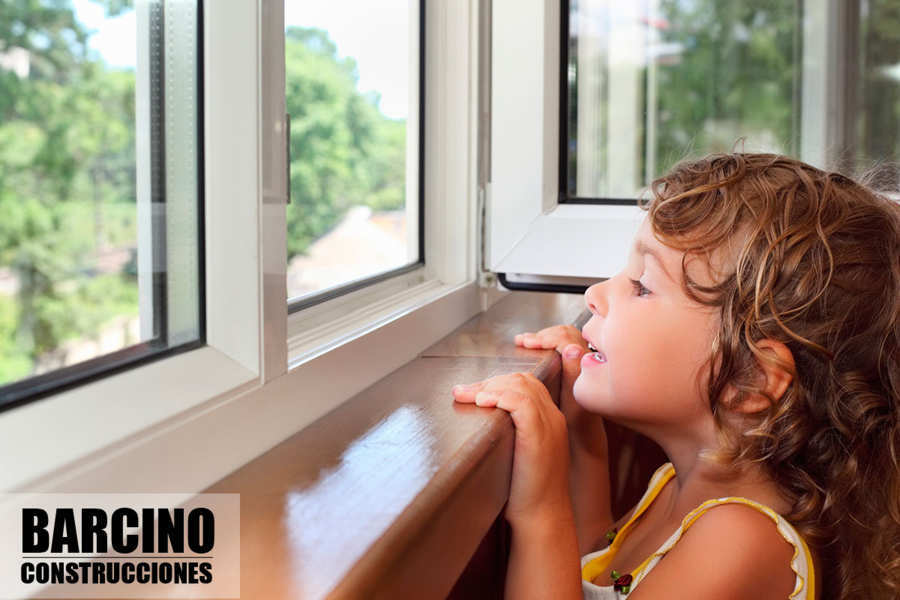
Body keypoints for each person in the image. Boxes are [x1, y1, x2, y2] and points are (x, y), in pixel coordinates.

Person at [452, 153, 900, 600]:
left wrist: (539, 513)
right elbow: (595, 565)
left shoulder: (739, 541)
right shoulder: (675, 488)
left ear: (748, 381)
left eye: (641, 285)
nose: (595, 295)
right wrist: (579, 429)